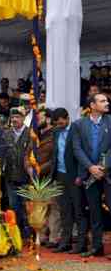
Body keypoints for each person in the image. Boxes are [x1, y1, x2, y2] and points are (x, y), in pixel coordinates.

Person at [72, 93, 111, 258]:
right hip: (89, 175)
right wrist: (90, 167)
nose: (107, 103)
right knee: (94, 212)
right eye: (102, 101)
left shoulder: (110, 121)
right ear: (92, 105)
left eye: (107, 101)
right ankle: (97, 247)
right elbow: (77, 149)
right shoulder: (79, 124)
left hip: (108, 173)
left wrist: (103, 167)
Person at [50, 108, 88, 254]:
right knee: (65, 211)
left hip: (75, 176)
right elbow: (55, 154)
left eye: (61, 122)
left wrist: (81, 175)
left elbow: (82, 154)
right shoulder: (56, 132)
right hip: (60, 175)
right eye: (56, 123)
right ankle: (65, 242)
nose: (59, 125)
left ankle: (81, 244)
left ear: (67, 118)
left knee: (79, 211)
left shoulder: (77, 130)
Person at [3, 107, 32, 240]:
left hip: (26, 177)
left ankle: (29, 234)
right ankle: (17, 234)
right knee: (13, 206)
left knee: (27, 206)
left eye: (18, 117)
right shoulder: (6, 134)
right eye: (13, 117)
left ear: (24, 118)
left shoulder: (30, 133)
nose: (14, 119)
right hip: (10, 177)